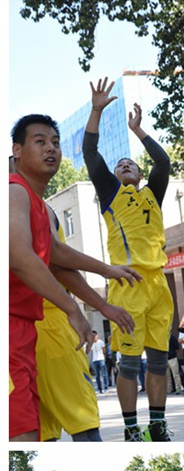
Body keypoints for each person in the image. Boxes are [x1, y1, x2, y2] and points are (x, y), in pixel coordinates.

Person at [9, 114, 139, 442]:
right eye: (40, 142)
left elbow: (55, 254)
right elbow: (21, 257)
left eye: (55, 142)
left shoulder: (39, 206)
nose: (51, 148)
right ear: (17, 151)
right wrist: (72, 309)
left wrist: (106, 276)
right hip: (26, 326)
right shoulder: (14, 192)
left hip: (27, 327)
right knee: (66, 427)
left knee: (32, 432)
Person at [83, 77, 174, 442]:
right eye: (119, 164)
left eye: (130, 163)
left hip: (158, 285)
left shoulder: (153, 194)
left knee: (158, 362)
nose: (124, 165)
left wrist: (138, 131)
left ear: (138, 173)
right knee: (131, 363)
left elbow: (163, 161)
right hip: (128, 283)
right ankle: (131, 429)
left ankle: (157, 425)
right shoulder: (110, 194)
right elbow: (91, 154)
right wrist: (97, 110)